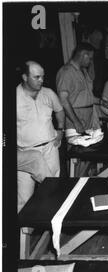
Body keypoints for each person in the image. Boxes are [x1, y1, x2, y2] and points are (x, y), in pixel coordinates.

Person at [17, 61, 65, 211]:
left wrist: (61, 129)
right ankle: (24, 233)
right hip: (25, 153)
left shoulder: (48, 93)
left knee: (53, 190)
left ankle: (53, 225)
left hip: (50, 147)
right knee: (24, 199)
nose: (41, 80)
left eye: (43, 77)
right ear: (25, 77)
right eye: (36, 77)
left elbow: (59, 110)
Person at [56, 42, 101, 138]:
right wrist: (76, 122)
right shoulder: (66, 72)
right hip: (75, 121)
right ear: (84, 55)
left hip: (87, 119)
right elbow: (63, 100)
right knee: (76, 151)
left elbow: (87, 97)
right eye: (90, 58)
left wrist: (101, 102)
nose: (90, 61)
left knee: (88, 151)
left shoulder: (82, 71)